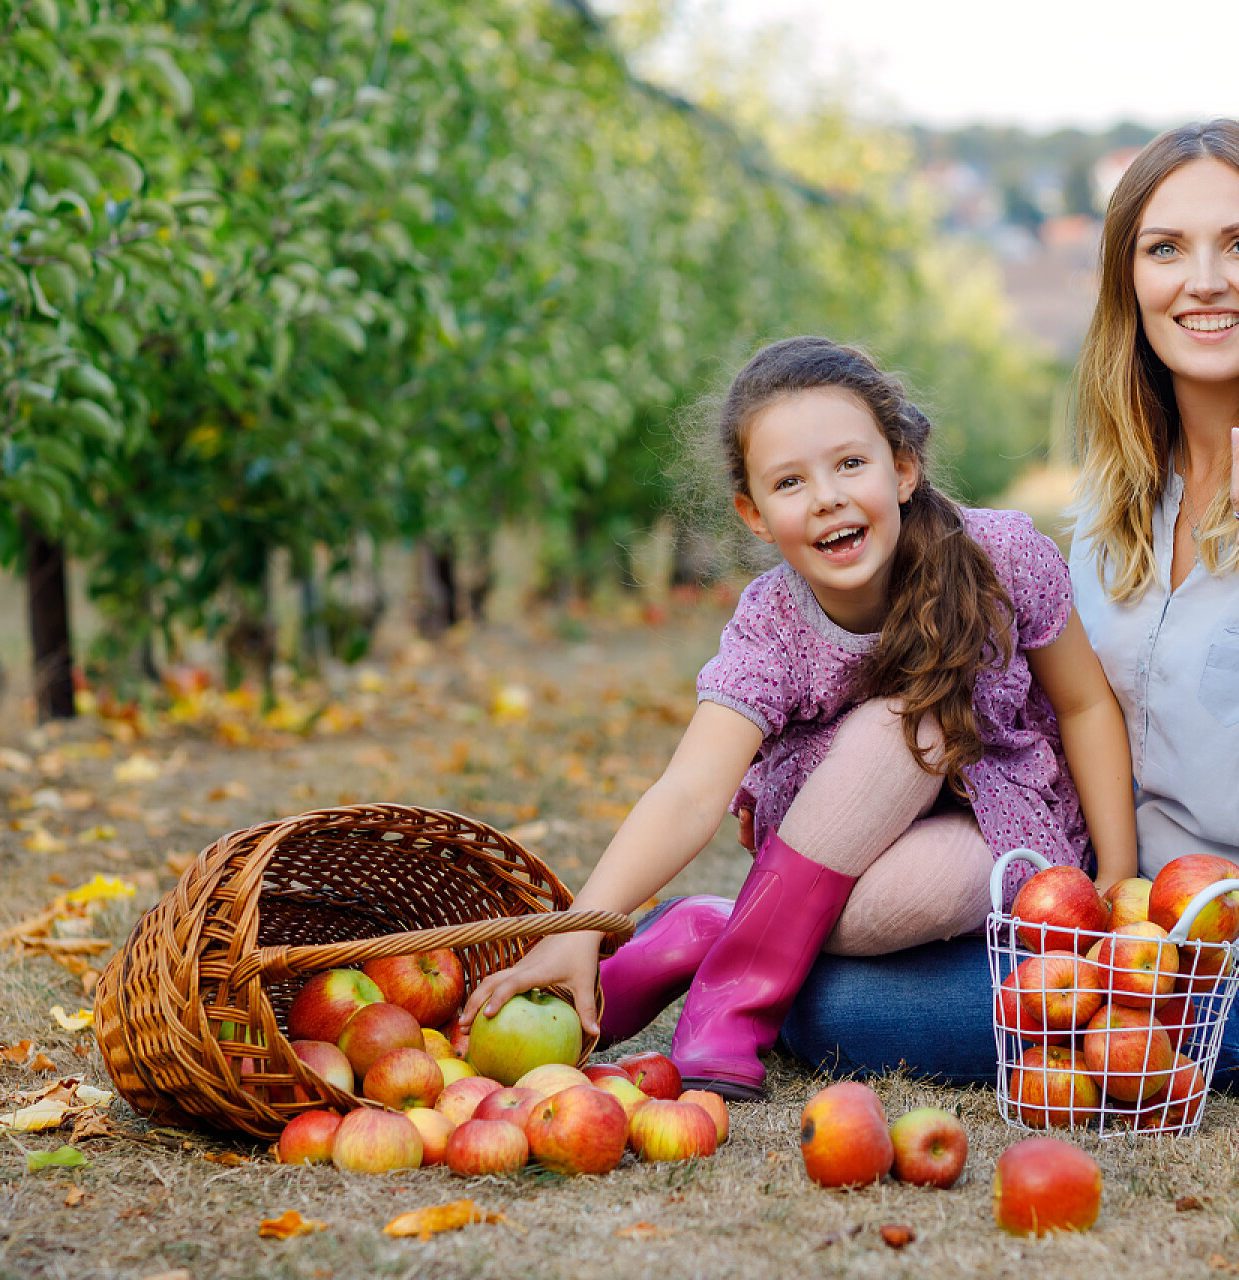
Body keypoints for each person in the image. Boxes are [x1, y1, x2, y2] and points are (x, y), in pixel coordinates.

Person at [781, 119, 1239, 1097]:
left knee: (836, 1009)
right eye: (1165, 249)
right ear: (1129, 284)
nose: (1204, 280)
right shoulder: (1123, 502)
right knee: (820, 952)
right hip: (1128, 921)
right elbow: (1072, 719)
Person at [459, 336, 1137, 1101]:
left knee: (950, 884)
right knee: (909, 725)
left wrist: (1114, 873)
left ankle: (712, 929)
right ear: (753, 512)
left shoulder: (1001, 556)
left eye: (851, 464)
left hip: (992, 826)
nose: (827, 496)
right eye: (789, 482)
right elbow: (690, 791)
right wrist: (578, 928)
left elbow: (1084, 706)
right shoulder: (773, 625)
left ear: (903, 468)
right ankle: (734, 1000)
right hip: (832, 829)